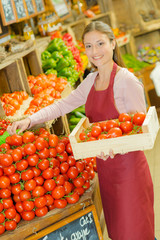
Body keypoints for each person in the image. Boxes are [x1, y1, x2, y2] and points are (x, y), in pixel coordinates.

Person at [7, 21, 154, 240]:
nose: (95, 52)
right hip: (106, 171)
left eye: (100, 43)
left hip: (129, 172)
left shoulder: (126, 81)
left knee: (135, 231)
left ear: (113, 43)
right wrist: (29, 120)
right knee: (117, 232)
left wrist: (115, 147)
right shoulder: (90, 81)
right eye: (88, 46)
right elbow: (61, 105)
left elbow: (139, 130)